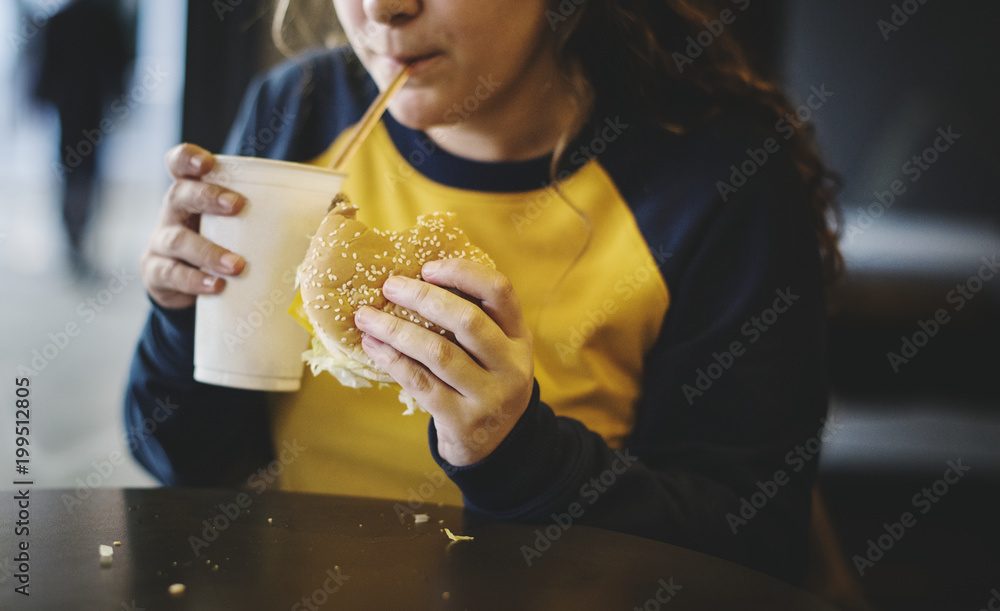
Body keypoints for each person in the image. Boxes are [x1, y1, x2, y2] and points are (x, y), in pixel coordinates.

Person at [126, 0, 842, 586]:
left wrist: (514, 451)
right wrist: (185, 316)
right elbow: (183, 462)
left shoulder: (720, 178)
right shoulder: (299, 108)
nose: (383, 9)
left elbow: (749, 544)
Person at [32, 0, 130, 277]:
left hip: (75, 109)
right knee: (82, 175)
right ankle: (76, 238)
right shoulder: (102, 18)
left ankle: (75, 239)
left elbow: (46, 65)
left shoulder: (67, 18)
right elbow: (119, 63)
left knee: (73, 174)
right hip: (87, 109)